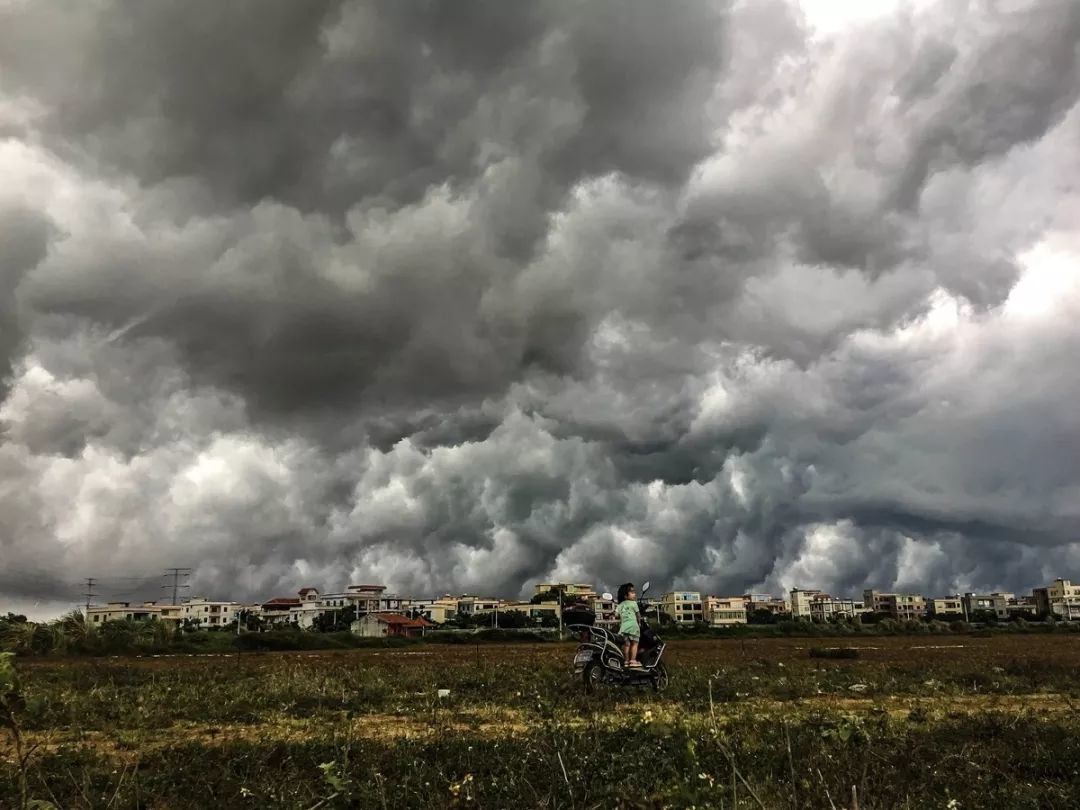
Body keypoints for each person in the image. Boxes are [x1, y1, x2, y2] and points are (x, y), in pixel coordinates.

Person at [616, 583, 642, 667]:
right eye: (632, 592)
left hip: (624, 628)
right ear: (625, 596)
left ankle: (626, 661)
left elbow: (616, 615)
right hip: (633, 626)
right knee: (635, 643)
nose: (635, 594)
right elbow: (638, 615)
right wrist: (639, 622)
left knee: (627, 645)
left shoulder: (620, 605)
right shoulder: (634, 603)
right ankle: (633, 660)